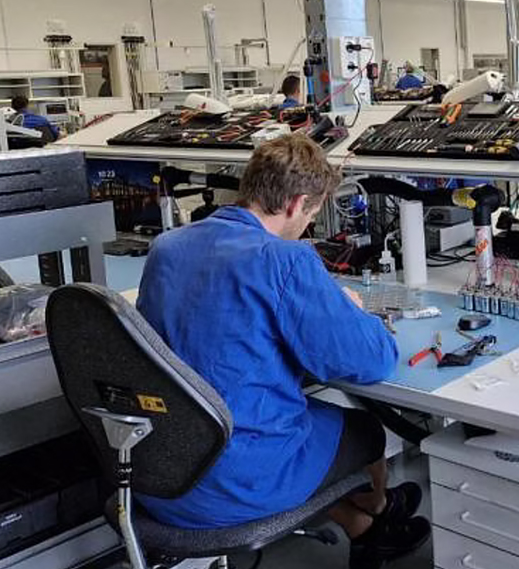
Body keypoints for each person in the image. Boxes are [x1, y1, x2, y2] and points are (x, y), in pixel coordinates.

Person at [134, 135, 429, 568]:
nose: (307, 226)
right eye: (311, 215)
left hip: (159, 473)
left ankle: (360, 523)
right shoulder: (286, 259)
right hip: (237, 481)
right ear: (297, 204)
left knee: (306, 423)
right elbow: (373, 360)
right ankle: (381, 518)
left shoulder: (167, 248)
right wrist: (354, 314)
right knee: (364, 430)